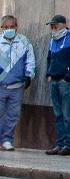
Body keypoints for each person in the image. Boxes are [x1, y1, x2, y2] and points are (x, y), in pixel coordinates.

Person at [44, 14, 70, 156]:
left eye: (55, 25)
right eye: (51, 26)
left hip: (66, 81)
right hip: (54, 80)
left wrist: (68, 76)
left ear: (63, 24)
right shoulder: (53, 40)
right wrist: (49, 74)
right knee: (58, 114)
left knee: (67, 114)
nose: (53, 28)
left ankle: (68, 144)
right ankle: (60, 143)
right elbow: (50, 58)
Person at [0, 16, 35, 151]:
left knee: (13, 115)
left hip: (17, 86)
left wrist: (28, 76)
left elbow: (30, 60)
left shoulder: (23, 42)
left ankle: (7, 140)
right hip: (1, 85)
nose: (9, 29)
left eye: (12, 27)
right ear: (2, 28)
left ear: (16, 27)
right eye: (6, 27)